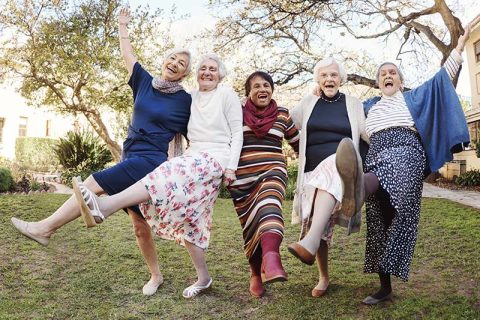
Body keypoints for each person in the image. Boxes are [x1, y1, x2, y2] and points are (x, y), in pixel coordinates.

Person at [11, 8, 192, 296]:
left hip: (151, 161)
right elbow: (127, 55)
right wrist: (122, 25)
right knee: (139, 226)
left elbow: (202, 126)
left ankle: (44, 229)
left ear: (185, 73)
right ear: (164, 60)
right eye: (172, 58)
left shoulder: (185, 101)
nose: (175, 63)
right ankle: (156, 276)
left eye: (181, 63)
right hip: (130, 154)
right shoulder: (144, 82)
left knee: (93, 183)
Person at [72, 53, 243, 299]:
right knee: (192, 221)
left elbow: (237, 132)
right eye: (203, 68)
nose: (207, 72)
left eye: (213, 69)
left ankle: (106, 205)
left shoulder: (226, 94)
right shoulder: (190, 98)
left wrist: (232, 167)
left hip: (215, 159)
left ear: (221, 75)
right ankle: (204, 278)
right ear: (194, 75)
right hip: (191, 157)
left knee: (165, 171)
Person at [335, 15, 478, 305]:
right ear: (378, 82)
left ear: (400, 80)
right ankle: (384, 287)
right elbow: (339, 106)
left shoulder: (412, 99)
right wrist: (319, 91)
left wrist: (460, 46)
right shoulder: (366, 108)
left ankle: (357, 190)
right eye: (382, 73)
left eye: (393, 72)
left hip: (406, 151)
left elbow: (442, 78)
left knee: (391, 173)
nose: (388, 75)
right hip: (376, 152)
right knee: (381, 222)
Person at [286, 58, 368, 297]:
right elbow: (286, 122)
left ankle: (310, 243)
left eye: (333, 75)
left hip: (342, 168)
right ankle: (322, 273)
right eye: (324, 76)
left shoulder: (353, 104)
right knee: (317, 221)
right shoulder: (308, 103)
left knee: (336, 160)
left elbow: (365, 132)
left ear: (340, 79)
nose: (329, 79)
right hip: (311, 172)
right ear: (318, 80)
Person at [227, 71, 300, 298]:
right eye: (256, 86)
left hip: (272, 171)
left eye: (266, 85)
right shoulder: (236, 113)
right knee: (250, 229)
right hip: (242, 180)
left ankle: (272, 258)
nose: (262, 89)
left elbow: (299, 144)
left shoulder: (282, 114)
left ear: (272, 89)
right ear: (248, 92)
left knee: (269, 207)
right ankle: (256, 273)